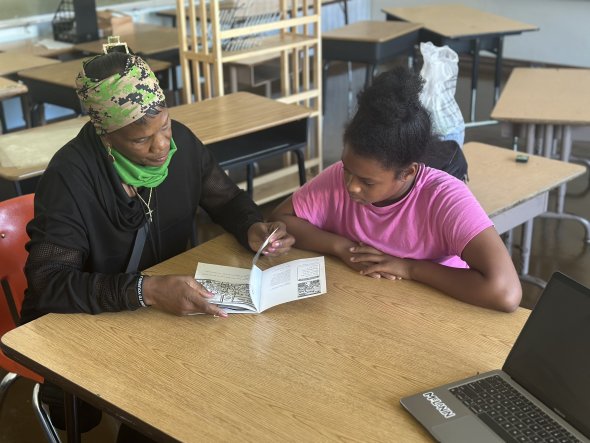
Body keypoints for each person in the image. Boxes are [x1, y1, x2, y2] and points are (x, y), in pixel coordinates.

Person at [21, 50, 294, 440]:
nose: (161, 146)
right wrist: (144, 290)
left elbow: (226, 199)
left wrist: (251, 226)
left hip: (166, 314)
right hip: (96, 321)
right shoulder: (70, 178)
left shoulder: (180, 142)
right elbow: (49, 283)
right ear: (106, 136)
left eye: (163, 126)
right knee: (167, 406)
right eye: (140, 139)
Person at [271, 66, 522, 313]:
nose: (351, 186)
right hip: (369, 305)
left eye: (367, 182)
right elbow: (280, 219)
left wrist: (409, 268)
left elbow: (506, 292)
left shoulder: (445, 199)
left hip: (435, 313)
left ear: (408, 172)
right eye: (348, 170)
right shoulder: (338, 177)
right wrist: (341, 247)